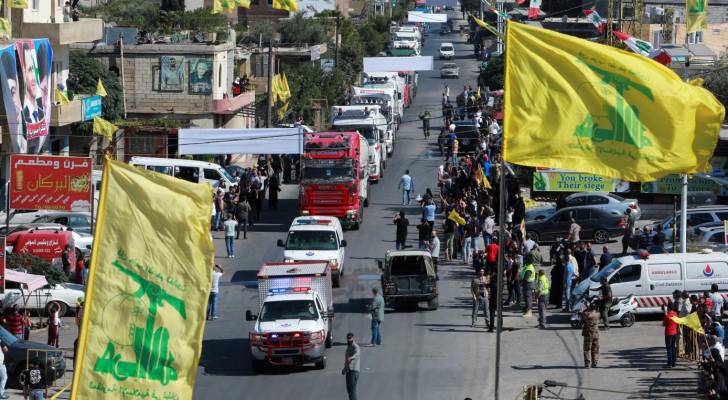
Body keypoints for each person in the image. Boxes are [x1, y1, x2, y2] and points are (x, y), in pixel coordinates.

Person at [582, 301, 601, 368]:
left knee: (587, 349)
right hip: (596, 334)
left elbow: (582, 314)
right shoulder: (598, 314)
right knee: (595, 348)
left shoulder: (586, 314)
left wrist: (586, 308)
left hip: (588, 334)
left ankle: (587, 364)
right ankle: (595, 362)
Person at [343, 332, 360, 400]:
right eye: (348, 338)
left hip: (354, 371)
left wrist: (351, 357)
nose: (349, 339)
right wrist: (344, 369)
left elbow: (357, 354)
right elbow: (347, 361)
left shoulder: (355, 346)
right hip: (348, 371)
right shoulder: (348, 347)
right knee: (349, 390)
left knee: (352, 391)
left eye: (350, 338)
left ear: (353, 338)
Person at [663, 303, 678, 368]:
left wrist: (665, 313)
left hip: (668, 333)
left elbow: (664, 324)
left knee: (669, 348)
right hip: (674, 332)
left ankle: (670, 363)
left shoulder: (667, 315)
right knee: (673, 347)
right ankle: (674, 362)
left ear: (668, 308)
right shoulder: (675, 314)